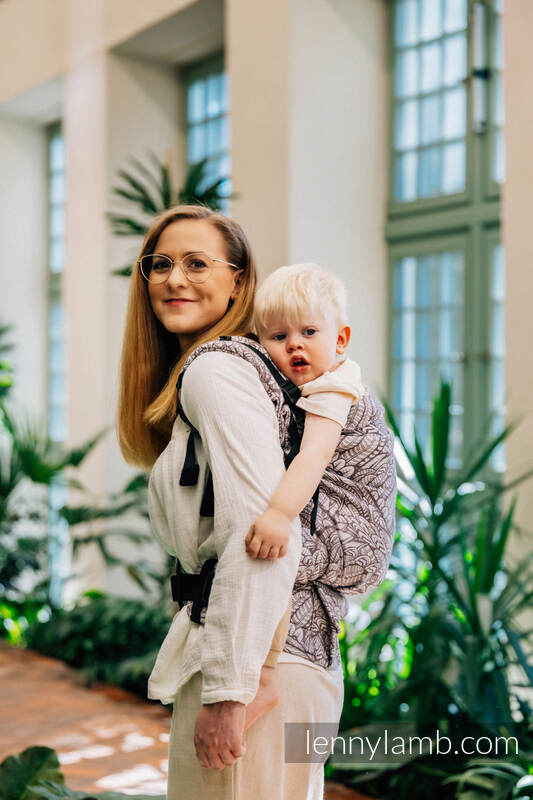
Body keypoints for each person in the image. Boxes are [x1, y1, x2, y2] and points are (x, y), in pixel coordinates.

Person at [118, 205, 375, 799]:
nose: (175, 279)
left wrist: (231, 692)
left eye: (196, 263)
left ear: (238, 281)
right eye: (160, 264)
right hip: (292, 658)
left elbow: (255, 530)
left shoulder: (216, 370)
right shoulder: (253, 367)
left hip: (260, 668)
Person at [242, 263, 366, 730]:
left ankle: (265, 679)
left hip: (327, 529)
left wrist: (278, 513)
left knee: (277, 575)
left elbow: (315, 454)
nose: (294, 345)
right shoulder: (303, 385)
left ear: (340, 340)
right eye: (278, 336)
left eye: (309, 332)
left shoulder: (335, 387)